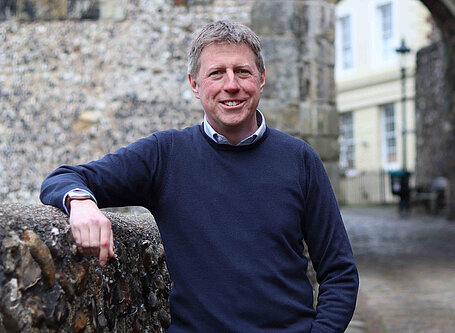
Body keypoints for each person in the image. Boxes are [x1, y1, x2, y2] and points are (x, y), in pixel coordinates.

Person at [40, 20, 358, 332]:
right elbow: (62, 178)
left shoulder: (300, 159)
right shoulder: (164, 155)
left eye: (242, 71)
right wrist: (81, 202)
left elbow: (339, 272)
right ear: (195, 84)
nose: (230, 85)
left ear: (261, 79)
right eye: (216, 73)